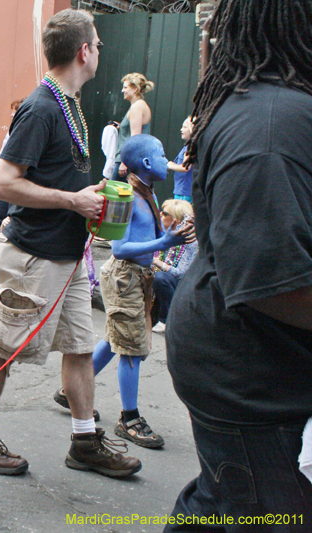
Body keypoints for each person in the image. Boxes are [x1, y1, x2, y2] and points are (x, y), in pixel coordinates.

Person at [0, 8, 141, 479]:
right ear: (83, 51)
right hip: (34, 255)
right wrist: (71, 200)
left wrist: (91, 197)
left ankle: (84, 443)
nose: (100, 50)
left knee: (79, 347)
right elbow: (0, 183)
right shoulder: (40, 107)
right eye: (97, 43)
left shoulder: (70, 101)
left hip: (68, 254)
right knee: (5, 348)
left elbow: (60, 175)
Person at [165, 0, 312, 528]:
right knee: (255, 512)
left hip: (255, 360)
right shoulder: (270, 126)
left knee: (229, 501)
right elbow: (271, 282)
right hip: (247, 373)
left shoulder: (281, 107)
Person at [89, 135, 194, 450]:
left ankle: (73, 389)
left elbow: (153, 233)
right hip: (125, 276)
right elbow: (120, 249)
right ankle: (129, 419)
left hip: (139, 277)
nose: (167, 160)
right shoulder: (128, 199)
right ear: (147, 163)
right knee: (132, 348)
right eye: (162, 154)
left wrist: (172, 234)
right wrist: (163, 244)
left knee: (116, 339)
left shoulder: (147, 192)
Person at [0, 98, 24, 266]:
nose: (12, 114)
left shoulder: (26, 132)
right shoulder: (11, 132)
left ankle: (10, 251)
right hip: (5, 182)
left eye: (15, 111)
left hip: (17, 183)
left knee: (14, 216)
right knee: (0, 215)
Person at [151, 199, 195, 334]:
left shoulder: (189, 239)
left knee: (160, 278)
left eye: (164, 214)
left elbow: (181, 274)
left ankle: (166, 319)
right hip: (161, 277)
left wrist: (156, 262)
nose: (160, 215)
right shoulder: (161, 233)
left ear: (175, 219)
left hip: (181, 285)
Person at [113, 73, 154, 180]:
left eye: (125, 87)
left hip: (127, 162)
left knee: (114, 195)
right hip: (132, 161)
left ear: (135, 89)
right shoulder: (139, 105)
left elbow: (135, 138)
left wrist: (125, 162)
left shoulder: (137, 107)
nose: (122, 90)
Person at [167, 116, 192, 202]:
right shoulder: (188, 146)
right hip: (182, 190)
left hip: (184, 191)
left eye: (185, 127)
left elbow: (185, 167)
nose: (181, 129)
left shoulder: (190, 147)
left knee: (181, 215)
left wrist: (170, 165)